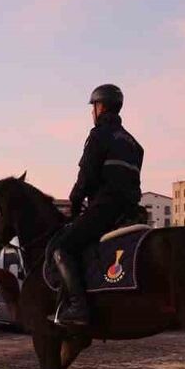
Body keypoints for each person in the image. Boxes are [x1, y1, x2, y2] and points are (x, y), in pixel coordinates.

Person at [50, 84, 144, 328]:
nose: (93, 111)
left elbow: (87, 176)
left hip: (105, 209)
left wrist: (74, 203)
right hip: (130, 213)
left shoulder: (99, 135)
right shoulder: (135, 144)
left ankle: (78, 307)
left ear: (100, 107)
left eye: (94, 106)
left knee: (63, 248)